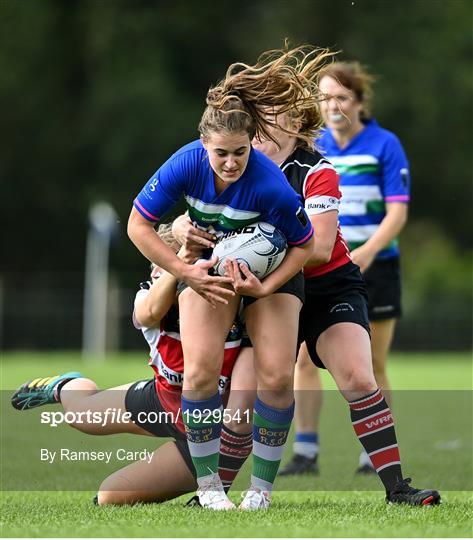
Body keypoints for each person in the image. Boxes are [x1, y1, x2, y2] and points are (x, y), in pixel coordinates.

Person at [173, 48, 440, 506]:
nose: (277, 122)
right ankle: (212, 494)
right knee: (243, 399)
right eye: (270, 112)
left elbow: (317, 249)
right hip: (266, 292)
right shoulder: (236, 161)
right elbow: (201, 215)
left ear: (298, 124)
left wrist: (264, 275)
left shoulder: (316, 171)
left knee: (358, 376)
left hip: (325, 284)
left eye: (289, 114)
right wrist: (181, 228)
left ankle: (398, 489)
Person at [127, 46, 327, 510]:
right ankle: (210, 488)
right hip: (210, 267)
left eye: (240, 152)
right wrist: (182, 271)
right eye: (221, 154)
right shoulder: (183, 165)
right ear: (203, 146)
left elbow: (305, 244)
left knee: (277, 376)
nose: (232, 163)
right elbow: (138, 225)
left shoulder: (269, 183)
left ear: (251, 143)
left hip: (271, 272)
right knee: (199, 371)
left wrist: (267, 286)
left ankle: (261, 491)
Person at [11, 224, 254, 505]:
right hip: (161, 402)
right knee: (80, 416)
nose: (154, 273)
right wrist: (177, 267)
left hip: (205, 435)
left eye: (162, 264)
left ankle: (209, 488)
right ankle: (66, 386)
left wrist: (218, 485)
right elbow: (148, 312)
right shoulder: (149, 295)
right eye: (158, 266)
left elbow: (244, 408)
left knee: (109, 497)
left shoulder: (232, 302)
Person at [280, 60, 412, 476]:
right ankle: (306, 452)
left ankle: (370, 457)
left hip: (375, 264)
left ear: (359, 101)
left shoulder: (384, 144)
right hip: (320, 266)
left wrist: (368, 252)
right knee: (302, 359)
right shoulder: (313, 147)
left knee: (371, 364)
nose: (332, 105)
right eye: (325, 97)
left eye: (341, 97)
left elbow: (397, 212)